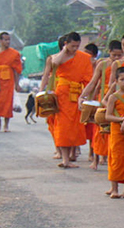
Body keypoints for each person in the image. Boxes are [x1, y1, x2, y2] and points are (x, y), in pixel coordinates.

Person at [39, 32, 93, 165]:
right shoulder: (57, 57)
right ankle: (65, 159)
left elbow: (88, 78)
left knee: (75, 126)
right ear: (66, 44)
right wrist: (64, 51)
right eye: (72, 46)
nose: (75, 49)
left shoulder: (83, 58)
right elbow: (55, 64)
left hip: (77, 95)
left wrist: (86, 96)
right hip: (62, 95)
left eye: (77, 46)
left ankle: (72, 154)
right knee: (63, 126)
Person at [80, 40, 124, 169]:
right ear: (109, 52)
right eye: (114, 55)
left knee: (113, 132)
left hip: (118, 100)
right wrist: (84, 96)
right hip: (103, 99)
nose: (117, 58)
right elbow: (94, 82)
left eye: (119, 55)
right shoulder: (103, 65)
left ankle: (109, 158)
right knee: (98, 131)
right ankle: (96, 158)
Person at [105, 66, 124, 198]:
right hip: (117, 131)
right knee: (116, 159)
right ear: (116, 81)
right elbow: (108, 116)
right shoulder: (113, 97)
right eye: (122, 79)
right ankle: (114, 188)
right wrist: (121, 119)